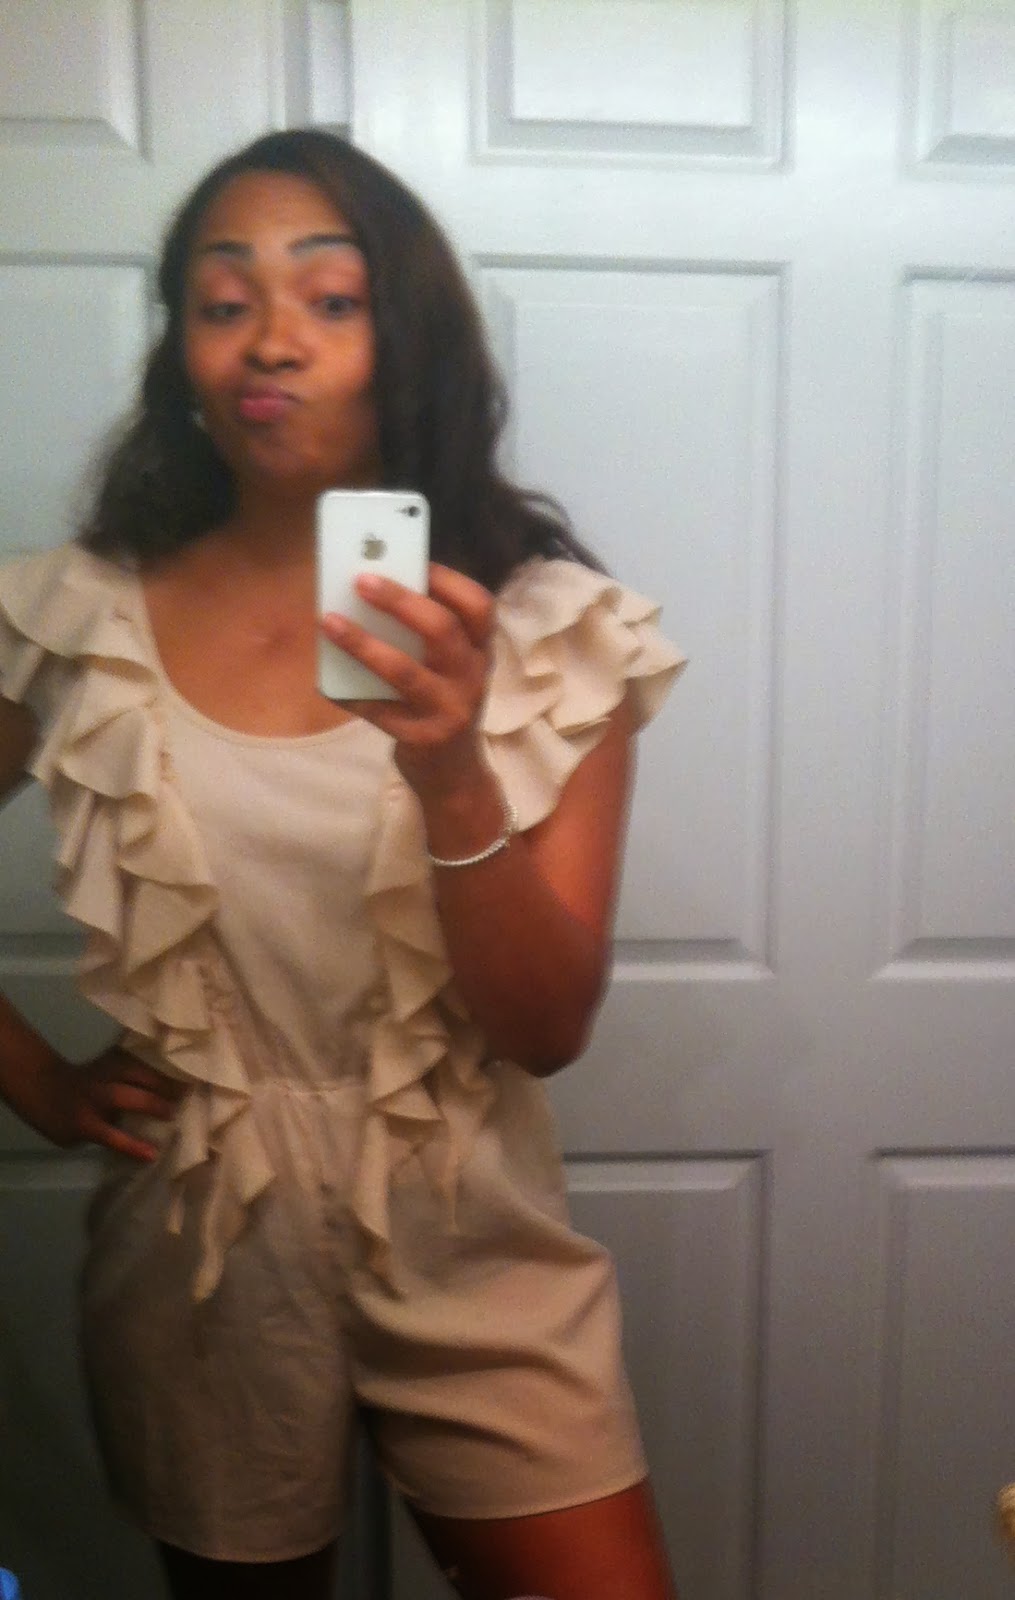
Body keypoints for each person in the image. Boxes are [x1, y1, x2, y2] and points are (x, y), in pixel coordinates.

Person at [0, 129, 685, 1600]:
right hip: (199, 1228)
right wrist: (34, 1080)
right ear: (182, 351)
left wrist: (449, 770)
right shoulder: (81, 612)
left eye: (331, 298)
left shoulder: (553, 630)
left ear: (408, 335)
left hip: (469, 1216)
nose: (272, 340)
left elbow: (544, 1028)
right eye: (222, 300)